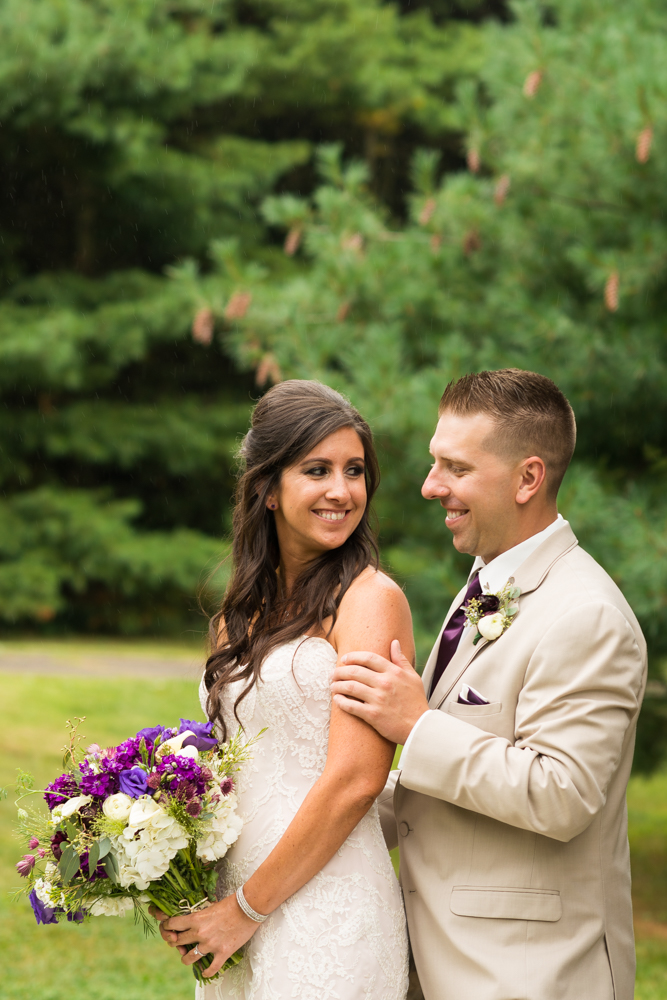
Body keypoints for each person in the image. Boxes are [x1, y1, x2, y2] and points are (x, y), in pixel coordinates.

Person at [332, 368, 647, 1000]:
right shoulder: (488, 580)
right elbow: (438, 790)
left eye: (456, 468)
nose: (430, 487)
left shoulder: (586, 615)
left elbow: (563, 793)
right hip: (440, 957)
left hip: (528, 974)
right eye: (433, 463)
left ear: (528, 478)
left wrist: (417, 726)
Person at [155, 380, 412, 999]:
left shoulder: (369, 600)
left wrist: (246, 909)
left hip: (327, 907)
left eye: (355, 471)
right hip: (233, 907)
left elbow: (356, 779)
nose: (341, 491)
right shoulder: (235, 617)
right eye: (317, 470)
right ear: (268, 488)